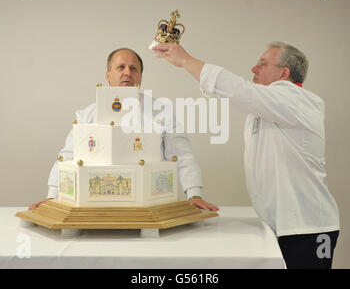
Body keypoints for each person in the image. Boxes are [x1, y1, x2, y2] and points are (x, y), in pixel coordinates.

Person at [152, 41, 340, 269]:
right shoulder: (268, 107)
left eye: (262, 64)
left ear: (284, 72)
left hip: (309, 228)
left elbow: (238, 89)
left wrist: (185, 60)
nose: (254, 69)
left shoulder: (299, 100)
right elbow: (242, 95)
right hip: (280, 227)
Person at [29, 48, 219, 212]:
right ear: (108, 75)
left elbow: (182, 154)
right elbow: (67, 156)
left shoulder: (161, 112)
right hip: (95, 206)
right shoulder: (85, 115)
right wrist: (53, 196)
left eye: (133, 68)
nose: (127, 73)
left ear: (140, 77)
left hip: (149, 205)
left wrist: (194, 194)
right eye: (121, 67)